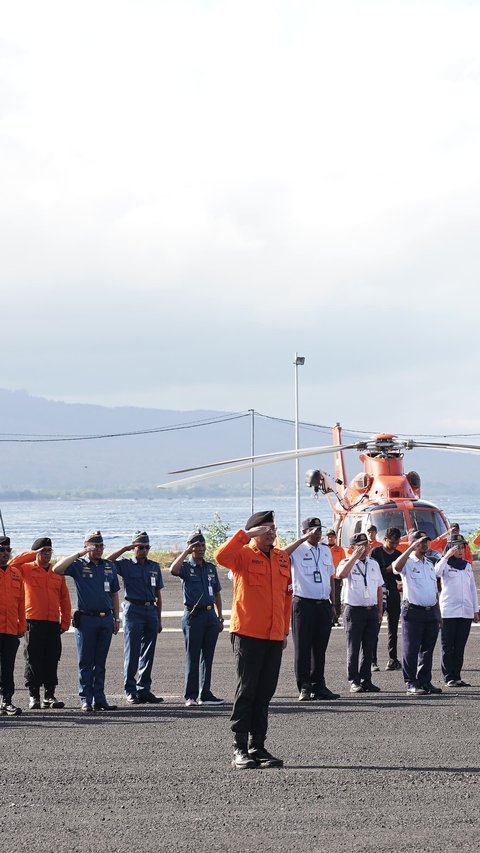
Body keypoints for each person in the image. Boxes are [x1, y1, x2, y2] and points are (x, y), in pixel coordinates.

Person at [215, 510, 292, 770]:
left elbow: (286, 597)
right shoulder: (244, 555)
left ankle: (257, 746)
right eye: (267, 528)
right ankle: (239, 746)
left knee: (265, 691)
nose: (273, 532)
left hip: (273, 634)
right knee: (246, 689)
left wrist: (284, 630)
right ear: (256, 531)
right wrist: (245, 535)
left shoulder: (282, 558)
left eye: (274, 528)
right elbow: (220, 556)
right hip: (248, 632)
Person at [53, 531, 120, 712]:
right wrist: (80, 553)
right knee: (86, 661)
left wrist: (116, 618)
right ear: (86, 546)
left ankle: (100, 698)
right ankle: (86, 699)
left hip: (105, 619)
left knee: (100, 662)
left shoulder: (109, 566)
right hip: (87, 620)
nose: (98, 549)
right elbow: (56, 569)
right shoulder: (79, 565)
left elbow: (114, 593)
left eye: (100, 546)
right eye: (94, 546)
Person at [9, 537, 71, 709]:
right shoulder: (26, 569)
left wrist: (65, 622)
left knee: (52, 658)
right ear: (36, 552)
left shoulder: (56, 572)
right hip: (32, 621)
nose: (46, 554)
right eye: (42, 551)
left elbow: (64, 599)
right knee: (33, 659)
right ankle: (34, 696)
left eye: (48, 551)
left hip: (52, 623)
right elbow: (13, 564)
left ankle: (49, 695)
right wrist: (32, 553)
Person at [106, 531, 164, 704]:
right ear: (134, 548)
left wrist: (159, 618)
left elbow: (158, 594)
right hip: (133, 610)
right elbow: (107, 562)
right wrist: (124, 549)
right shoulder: (125, 564)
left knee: (148, 652)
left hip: (150, 610)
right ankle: (130, 690)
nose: (144, 550)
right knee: (132, 651)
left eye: (147, 547)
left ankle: (144, 688)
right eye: (140, 547)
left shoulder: (154, 566)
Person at [284, 517, 339, 701]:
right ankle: (304, 686)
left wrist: (333, 603)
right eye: (313, 530)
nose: (317, 533)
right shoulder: (297, 549)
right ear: (304, 531)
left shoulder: (325, 550)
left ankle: (319, 685)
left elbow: (330, 576)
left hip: (323, 604)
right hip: (303, 604)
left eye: (319, 530)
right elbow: (280, 555)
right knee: (303, 647)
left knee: (319, 648)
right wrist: (301, 540)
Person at [170, 530, 224, 707]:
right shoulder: (186, 567)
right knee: (193, 657)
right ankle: (190, 696)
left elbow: (217, 593)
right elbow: (173, 570)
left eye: (202, 545)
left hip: (210, 616)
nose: (200, 549)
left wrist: (220, 616)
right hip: (193, 616)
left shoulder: (210, 568)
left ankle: (205, 693)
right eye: (196, 546)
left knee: (207, 657)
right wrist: (186, 552)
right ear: (191, 548)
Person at [391, 530, 442, 696]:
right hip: (413, 611)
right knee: (411, 649)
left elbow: (434, 592)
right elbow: (396, 567)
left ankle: (425, 681)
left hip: (430, 611)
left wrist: (438, 614)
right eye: (420, 541)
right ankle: (411, 683)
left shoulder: (429, 564)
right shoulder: (407, 562)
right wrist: (409, 548)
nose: (425, 544)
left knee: (427, 649)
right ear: (413, 544)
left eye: (426, 541)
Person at [337, 533, 384, 693]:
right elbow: (341, 575)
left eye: (367, 545)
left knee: (369, 648)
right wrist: (354, 557)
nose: (365, 549)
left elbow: (379, 587)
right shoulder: (346, 562)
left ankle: (366, 680)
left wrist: (379, 610)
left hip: (371, 610)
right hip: (354, 610)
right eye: (361, 546)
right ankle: (354, 680)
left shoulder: (373, 564)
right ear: (352, 547)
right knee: (354, 647)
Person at [435, 534, 479, 687]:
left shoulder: (466, 566)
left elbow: (472, 589)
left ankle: (457, 675)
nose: (460, 551)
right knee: (448, 646)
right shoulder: (445, 564)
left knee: (460, 646)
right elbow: (436, 573)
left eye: (462, 547)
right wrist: (446, 556)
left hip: (465, 611)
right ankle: (449, 677)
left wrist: (475, 609)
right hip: (449, 611)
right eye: (457, 547)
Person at [370, 528, 403, 671]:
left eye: (397, 542)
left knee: (393, 629)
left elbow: (401, 575)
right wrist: (388, 569)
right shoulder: (376, 553)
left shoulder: (398, 554)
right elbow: (372, 572)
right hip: (379, 591)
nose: (394, 545)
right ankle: (372, 660)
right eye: (391, 542)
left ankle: (392, 659)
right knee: (374, 628)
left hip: (393, 591)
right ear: (385, 539)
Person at [0, 536, 26, 716]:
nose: (5, 553)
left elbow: (21, 603)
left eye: (8, 550)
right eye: (1, 550)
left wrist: (21, 626)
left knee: (8, 668)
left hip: (10, 629)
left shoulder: (15, 573)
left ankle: (6, 701)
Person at [324, 528, 345, 625]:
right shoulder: (323, 548)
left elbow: (343, 563)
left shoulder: (339, 550)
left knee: (336, 598)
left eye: (332, 536)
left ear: (335, 537)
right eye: (329, 536)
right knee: (325, 597)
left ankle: (335, 618)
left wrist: (342, 579)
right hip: (325, 576)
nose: (330, 538)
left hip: (336, 577)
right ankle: (328, 617)